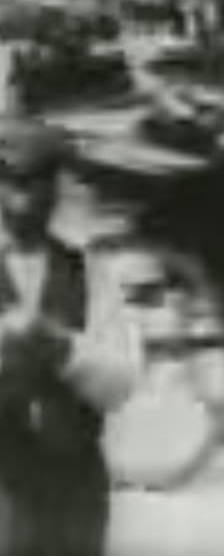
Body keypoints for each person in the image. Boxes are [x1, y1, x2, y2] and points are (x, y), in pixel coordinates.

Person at [0, 117, 142, 556]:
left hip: (76, 489)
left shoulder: (86, 273)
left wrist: (65, 349)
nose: (22, 197)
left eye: (36, 181)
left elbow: (122, 380)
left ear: (55, 189)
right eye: (9, 181)